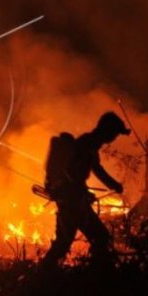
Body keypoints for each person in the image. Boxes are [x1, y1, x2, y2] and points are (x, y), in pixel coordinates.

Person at [40, 111, 131, 268]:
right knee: (98, 237)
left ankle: (45, 274)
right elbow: (71, 172)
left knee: (79, 240)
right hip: (72, 202)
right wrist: (83, 191)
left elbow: (96, 169)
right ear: (107, 131)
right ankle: (93, 275)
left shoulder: (90, 145)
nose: (114, 138)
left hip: (73, 200)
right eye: (115, 134)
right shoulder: (87, 144)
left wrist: (114, 185)